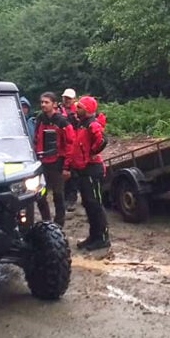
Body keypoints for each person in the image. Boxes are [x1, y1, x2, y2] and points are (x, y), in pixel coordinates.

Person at [63, 96, 110, 251]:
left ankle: (102, 238)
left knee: (95, 205)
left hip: (92, 170)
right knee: (88, 204)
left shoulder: (92, 124)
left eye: (80, 107)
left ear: (87, 110)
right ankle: (94, 236)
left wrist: (92, 153)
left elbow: (102, 140)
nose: (76, 109)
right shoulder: (81, 123)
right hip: (83, 169)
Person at [33, 92, 75, 228]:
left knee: (58, 194)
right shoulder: (40, 118)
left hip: (57, 162)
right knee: (40, 194)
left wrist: (66, 166)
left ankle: (59, 223)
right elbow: (36, 139)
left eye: (46, 102)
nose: (43, 105)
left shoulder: (62, 121)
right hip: (41, 161)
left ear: (54, 104)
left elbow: (70, 143)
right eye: (42, 102)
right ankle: (46, 221)